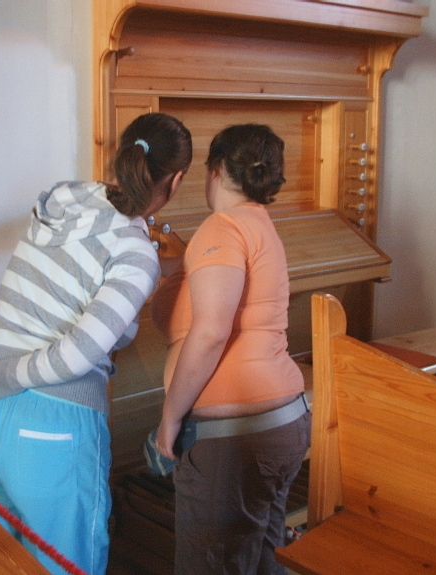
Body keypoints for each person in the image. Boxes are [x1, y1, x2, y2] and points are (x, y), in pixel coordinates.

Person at [0, 112, 192, 575]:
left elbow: (76, 311)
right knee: (64, 566)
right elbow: (79, 353)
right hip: (47, 420)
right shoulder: (136, 253)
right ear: (175, 182)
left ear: (120, 154)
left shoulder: (60, 204)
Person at [152, 124, 310, 575]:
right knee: (261, 561)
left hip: (234, 439)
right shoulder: (256, 223)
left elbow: (210, 333)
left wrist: (170, 417)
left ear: (217, 169)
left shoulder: (221, 227)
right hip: (280, 422)